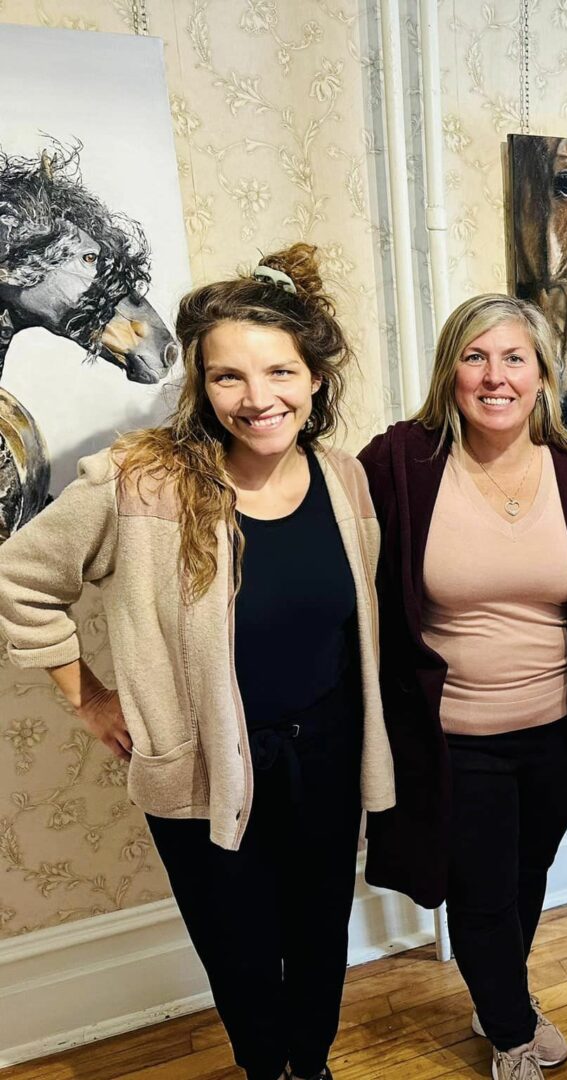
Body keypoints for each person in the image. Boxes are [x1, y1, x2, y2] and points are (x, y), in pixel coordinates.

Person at [0, 245, 395, 1080]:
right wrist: (91, 699)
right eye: (228, 378)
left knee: (320, 932)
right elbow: (18, 579)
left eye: (280, 372)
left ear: (315, 378)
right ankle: (267, 1069)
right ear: (199, 384)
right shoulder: (141, 484)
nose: (259, 400)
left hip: (325, 753)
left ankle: (311, 1066)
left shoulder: (344, 479)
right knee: (244, 953)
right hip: (207, 764)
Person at [358, 295, 567, 1080]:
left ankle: (496, 991)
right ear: (451, 373)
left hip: (555, 728)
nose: (495, 376)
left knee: (524, 876)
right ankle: (510, 1033)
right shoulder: (401, 463)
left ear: (542, 376)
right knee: (479, 890)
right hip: (454, 734)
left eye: (515, 359)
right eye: (475, 357)